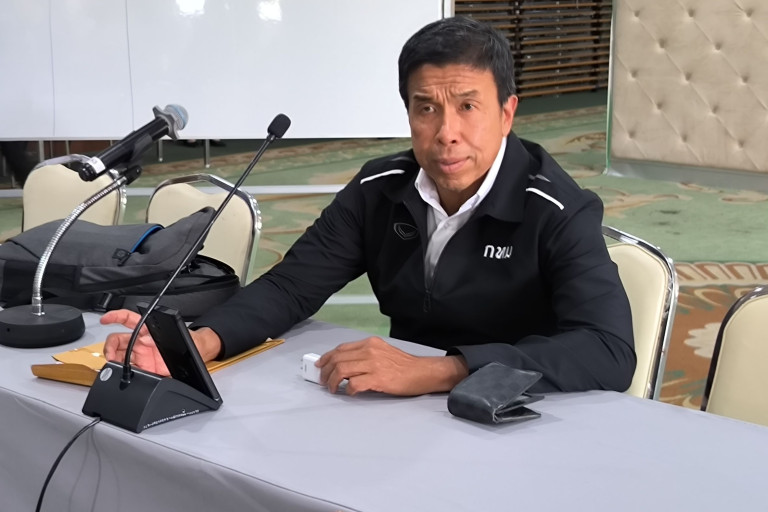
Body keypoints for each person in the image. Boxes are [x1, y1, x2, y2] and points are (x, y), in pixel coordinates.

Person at [103, 17, 635, 396]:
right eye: (426, 108)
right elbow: (292, 285)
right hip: (398, 410)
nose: (446, 132)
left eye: (468, 106)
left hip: (515, 414)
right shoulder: (381, 187)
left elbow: (607, 349)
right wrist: (202, 341)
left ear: (507, 112)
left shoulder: (556, 207)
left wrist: (441, 371)